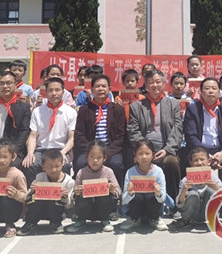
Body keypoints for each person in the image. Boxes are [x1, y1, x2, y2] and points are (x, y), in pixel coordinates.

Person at [128, 69, 183, 200]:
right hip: (144, 151)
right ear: (146, 85)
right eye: (151, 82)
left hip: (165, 150)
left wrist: (167, 150)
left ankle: (174, 202)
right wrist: (146, 152)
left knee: (172, 162)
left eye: (158, 82)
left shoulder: (173, 104)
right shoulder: (136, 106)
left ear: (164, 84)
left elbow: (178, 129)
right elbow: (133, 131)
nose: (155, 85)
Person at [183, 77, 222, 182]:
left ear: (219, 92)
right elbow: (190, 135)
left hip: (221, 148)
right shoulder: (193, 109)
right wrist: (206, 155)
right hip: (199, 148)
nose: (210, 91)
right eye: (207, 88)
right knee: (187, 160)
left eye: (214, 88)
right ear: (200, 92)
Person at [22, 77, 77, 186]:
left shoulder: (71, 112)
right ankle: (33, 193)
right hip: (41, 150)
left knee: (64, 165)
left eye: (57, 90)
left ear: (63, 92)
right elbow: (33, 136)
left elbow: (72, 138)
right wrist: (30, 153)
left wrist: (63, 153)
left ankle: (61, 194)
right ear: (46, 93)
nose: (54, 93)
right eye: (50, 90)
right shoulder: (37, 111)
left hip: (60, 149)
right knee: (30, 164)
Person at [75, 74, 126, 188]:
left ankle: (116, 194)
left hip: (111, 150)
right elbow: (80, 134)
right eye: (97, 86)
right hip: (90, 150)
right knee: (80, 163)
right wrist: (92, 152)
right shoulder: (84, 110)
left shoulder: (118, 109)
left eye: (104, 86)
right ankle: (81, 194)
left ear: (109, 89)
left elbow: (121, 136)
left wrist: (106, 153)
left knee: (116, 164)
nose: (101, 89)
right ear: (92, 89)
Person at [67, 141, 122, 233]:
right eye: (92, 157)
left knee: (106, 195)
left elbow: (119, 192)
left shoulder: (108, 172)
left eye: (99, 157)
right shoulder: (81, 172)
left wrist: (112, 190)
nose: (95, 160)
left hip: (103, 208)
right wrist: (76, 192)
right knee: (81, 196)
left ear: (104, 158)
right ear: (86, 157)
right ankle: (81, 220)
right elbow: (73, 195)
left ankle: (105, 220)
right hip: (86, 208)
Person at [18, 148, 75, 235]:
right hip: (41, 208)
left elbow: (69, 206)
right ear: (43, 167)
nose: (54, 170)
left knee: (58, 201)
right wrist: (32, 191)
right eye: (49, 167)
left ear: (62, 165)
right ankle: (31, 222)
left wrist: (65, 197)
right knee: (31, 198)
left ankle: (55, 223)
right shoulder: (40, 177)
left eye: (57, 166)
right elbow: (28, 197)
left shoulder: (69, 181)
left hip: (57, 211)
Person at [168, 146, 222, 232]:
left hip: (207, 213)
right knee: (193, 194)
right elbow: (179, 204)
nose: (199, 163)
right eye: (195, 160)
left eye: (202, 159)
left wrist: (216, 188)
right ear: (191, 163)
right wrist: (184, 192)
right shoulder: (186, 180)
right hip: (191, 215)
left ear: (209, 161)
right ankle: (185, 221)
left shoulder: (214, 179)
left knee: (210, 191)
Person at [120, 139, 168, 232]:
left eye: (147, 153)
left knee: (151, 195)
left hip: (153, 206)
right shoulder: (130, 172)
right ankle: (134, 219)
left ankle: (154, 219)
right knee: (137, 196)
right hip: (136, 206)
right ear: (135, 155)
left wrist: (158, 193)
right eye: (140, 154)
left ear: (153, 154)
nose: (144, 157)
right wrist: (129, 193)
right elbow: (124, 200)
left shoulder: (158, 171)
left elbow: (163, 199)